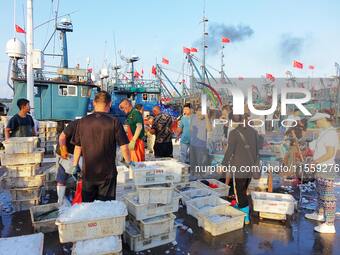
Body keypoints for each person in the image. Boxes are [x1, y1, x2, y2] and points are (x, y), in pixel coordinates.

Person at [72, 91, 132, 202]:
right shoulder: (114, 122)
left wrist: (74, 165)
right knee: (105, 210)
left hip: (88, 174)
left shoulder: (82, 122)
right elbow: (124, 147)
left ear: (94, 103)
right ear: (109, 104)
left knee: (89, 208)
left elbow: (77, 147)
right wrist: (129, 162)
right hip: (107, 175)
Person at [222, 114, 259, 224]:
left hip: (238, 166)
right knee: (243, 190)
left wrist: (223, 164)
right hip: (250, 166)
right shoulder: (253, 132)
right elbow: (257, 150)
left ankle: (245, 216)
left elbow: (229, 151)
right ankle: (242, 208)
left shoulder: (233, 133)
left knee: (239, 191)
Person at [305, 112, 338, 234]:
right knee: (320, 192)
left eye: (317, 120)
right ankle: (319, 213)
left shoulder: (330, 134)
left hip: (326, 168)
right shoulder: (325, 132)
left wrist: (315, 162)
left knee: (327, 196)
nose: (316, 123)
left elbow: (330, 153)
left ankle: (329, 224)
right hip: (321, 167)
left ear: (324, 119)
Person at [55, 119, 79, 205]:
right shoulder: (75, 124)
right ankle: (60, 200)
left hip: (77, 153)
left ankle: (76, 196)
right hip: (64, 152)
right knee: (62, 176)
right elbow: (62, 137)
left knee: (78, 175)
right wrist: (63, 149)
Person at [190, 107, 212, 179]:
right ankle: (193, 177)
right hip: (192, 144)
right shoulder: (193, 118)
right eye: (198, 111)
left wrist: (206, 117)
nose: (199, 113)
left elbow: (209, 129)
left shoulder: (206, 120)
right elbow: (190, 129)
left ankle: (201, 178)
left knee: (201, 164)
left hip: (201, 146)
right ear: (196, 112)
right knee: (192, 162)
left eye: (201, 112)